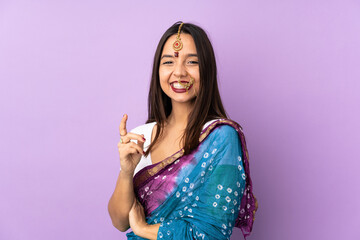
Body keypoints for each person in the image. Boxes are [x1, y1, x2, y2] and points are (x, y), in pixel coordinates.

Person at [108, 21, 258, 240]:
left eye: (192, 62)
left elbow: (212, 234)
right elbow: (120, 222)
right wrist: (126, 171)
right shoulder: (142, 135)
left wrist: (143, 230)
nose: (179, 72)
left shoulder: (221, 137)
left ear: (207, 69)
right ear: (158, 70)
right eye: (168, 61)